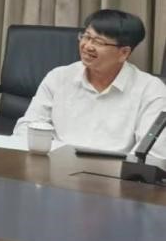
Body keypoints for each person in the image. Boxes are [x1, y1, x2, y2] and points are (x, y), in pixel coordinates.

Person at [13, 9, 166, 159]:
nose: (87, 46)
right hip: (56, 165)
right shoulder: (59, 77)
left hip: (115, 172)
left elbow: (153, 154)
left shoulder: (151, 90)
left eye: (98, 42)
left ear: (124, 53)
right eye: (86, 37)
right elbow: (27, 128)